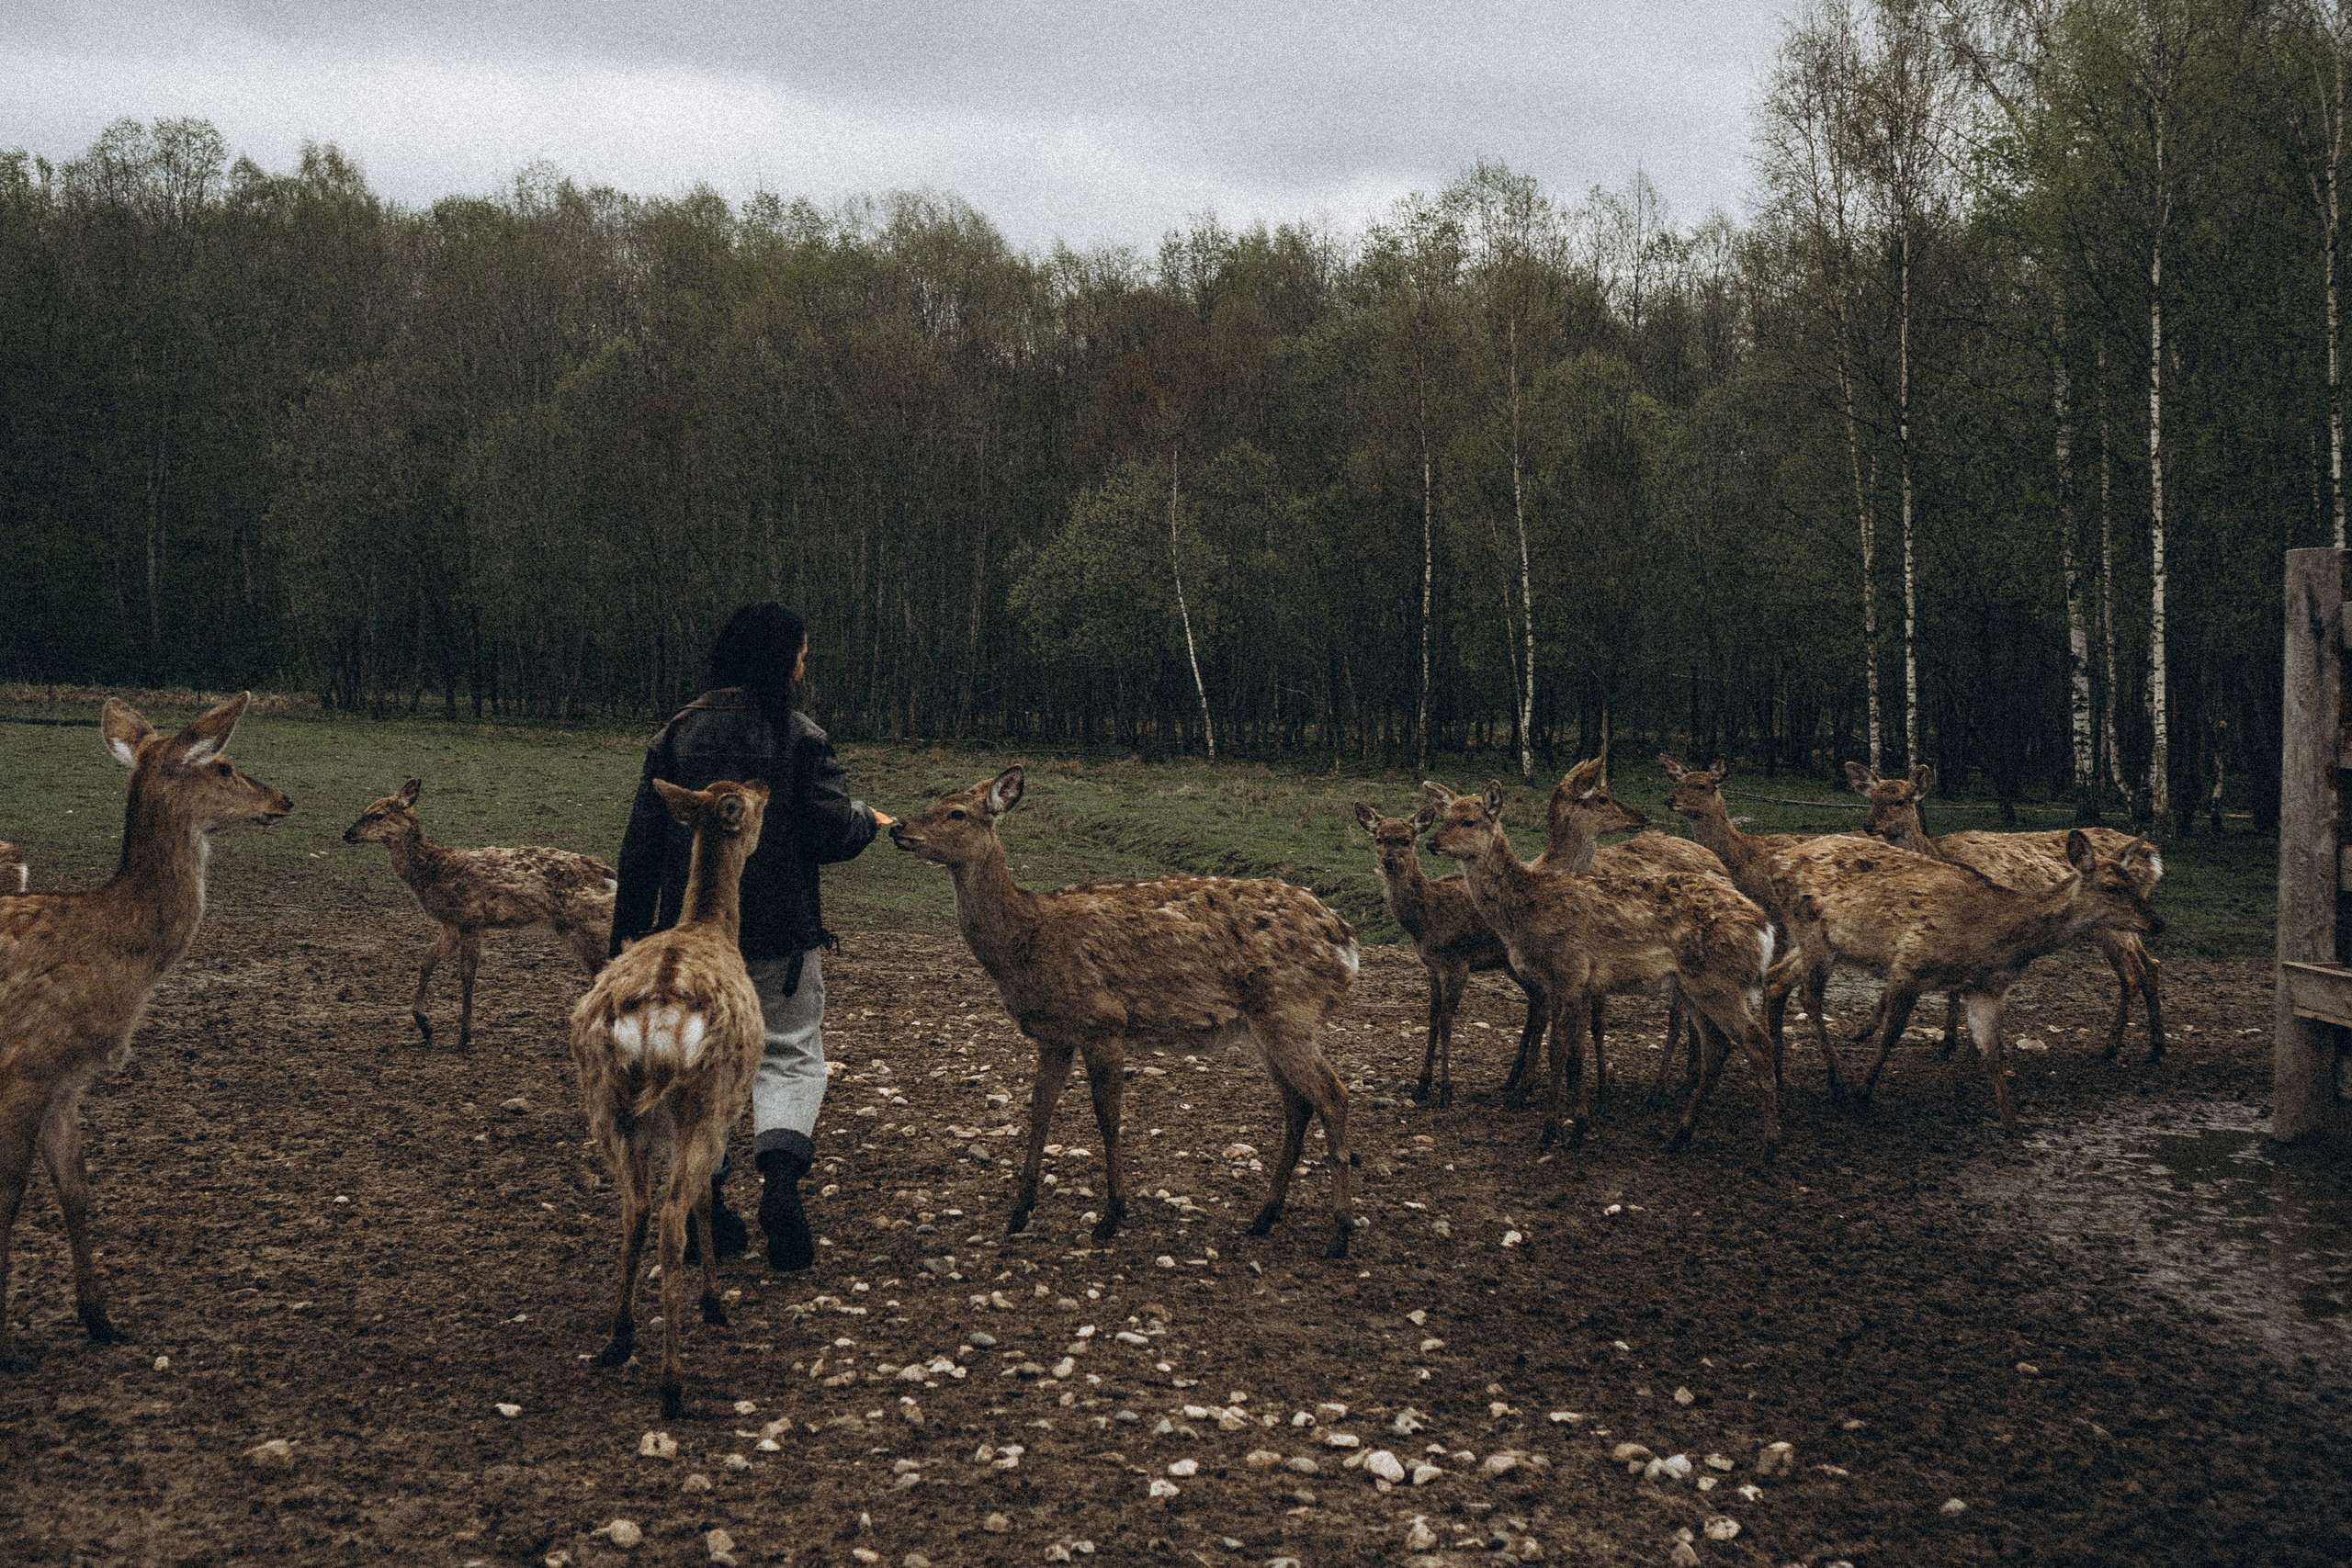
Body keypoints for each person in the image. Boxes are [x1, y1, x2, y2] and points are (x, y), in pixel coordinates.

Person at [610, 604, 879, 1270]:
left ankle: (714, 1203)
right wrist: (865, 820)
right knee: (790, 1054)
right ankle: (781, 1185)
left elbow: (642, 840)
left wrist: (627, 931)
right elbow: (827, 829)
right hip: (783, 941)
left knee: (701, 1067)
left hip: (696, 943)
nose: (803, 665)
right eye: (802, 655)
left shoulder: (676, 734)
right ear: (780, 659)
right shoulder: (800, 736)